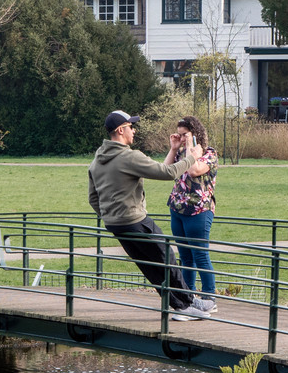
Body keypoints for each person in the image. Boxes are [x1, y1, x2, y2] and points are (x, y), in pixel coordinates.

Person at [88, 110, 211, 321]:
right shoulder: (128, 156)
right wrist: (191, 158)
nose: (134, 131)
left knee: (150, 267)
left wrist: (109, 216)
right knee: (166, 257)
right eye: (130, 127)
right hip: (135, 220)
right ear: (120, 130)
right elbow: (168, 173)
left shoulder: (97, 160)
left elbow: (93, 198)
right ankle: (184, 307)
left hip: (114, 224)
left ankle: (186, 302)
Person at [165, 116, 219, 315]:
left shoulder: (209, 154)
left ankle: (209, 298)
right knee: (185, 256)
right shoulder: (180, 152)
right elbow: (167, 170)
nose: (181, 138)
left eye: (184, 134)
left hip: (198, 210)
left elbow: (195, 171)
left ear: (195, 134)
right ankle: (187, 299)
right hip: (178, 209)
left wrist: (191, 150)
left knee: (200, 255)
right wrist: (173, 148)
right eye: (178, 134)